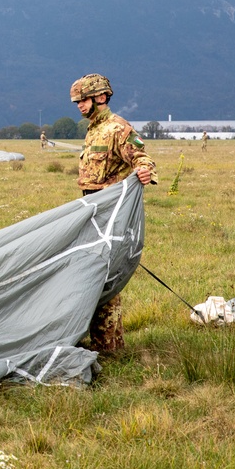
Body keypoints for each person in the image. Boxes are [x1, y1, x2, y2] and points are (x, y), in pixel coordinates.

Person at [70, 72, 157, 354]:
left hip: (112, 217)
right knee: (89, 276)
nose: (80, 106)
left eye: (83, 100)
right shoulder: (93, 130)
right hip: (93, 213)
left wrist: (144, 171)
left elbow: (142, 157)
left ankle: (109, 348)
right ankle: (99, 342)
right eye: (77, 102)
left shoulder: (117, 128)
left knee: (104, 279)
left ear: (101, 97)